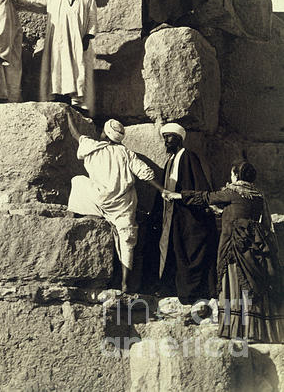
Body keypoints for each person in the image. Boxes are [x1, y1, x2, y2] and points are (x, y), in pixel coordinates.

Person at [164, 160, 283, 342]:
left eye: (232, 173)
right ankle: (257, 331)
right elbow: (247, 214)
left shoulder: (233, 192)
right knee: (253, 285)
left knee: (236, 283)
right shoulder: (258, 195)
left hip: (235, 246)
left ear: (236, 175)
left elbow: (205, 197)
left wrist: (178, 195)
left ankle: (238, 330)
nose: (231, 177)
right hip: (254, 247)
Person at [67, 114, 164, 292]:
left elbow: (76, 134)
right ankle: (125, 282)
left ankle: (79, 215)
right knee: (128, 240)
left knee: (77, 181)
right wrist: (162, 190)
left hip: (99, 199)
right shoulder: (126, 153)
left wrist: (68, 115)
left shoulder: (93, 147)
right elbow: (145, 173)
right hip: (122, 204)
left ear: (105, 134)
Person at [11, 0, 97, 112]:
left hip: (78, 39)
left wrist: (88, 36)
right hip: (59, 41)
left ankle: (77, 101)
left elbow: (92, 16)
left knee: (78, 67)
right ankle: (59, 97)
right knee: (58, 66)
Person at [158, 122, 217, 313]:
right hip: (175, 215)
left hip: (189, 216)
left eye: (170, 137)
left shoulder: (188, 157)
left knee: (190, 251)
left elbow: (199, 186)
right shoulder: (170, 161)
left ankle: (193, 294)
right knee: (176, 251)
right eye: (165, 137)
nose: (167, 140)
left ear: (179, 138)